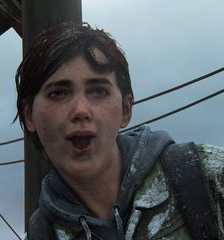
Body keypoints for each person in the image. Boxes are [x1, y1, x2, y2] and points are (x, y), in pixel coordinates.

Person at [15, 22, 224, 240]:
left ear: (125, 109)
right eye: (58, 93)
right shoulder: (40, 235)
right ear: (30, 114)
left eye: (98, 90)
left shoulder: (210, 178)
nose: (80, 111)